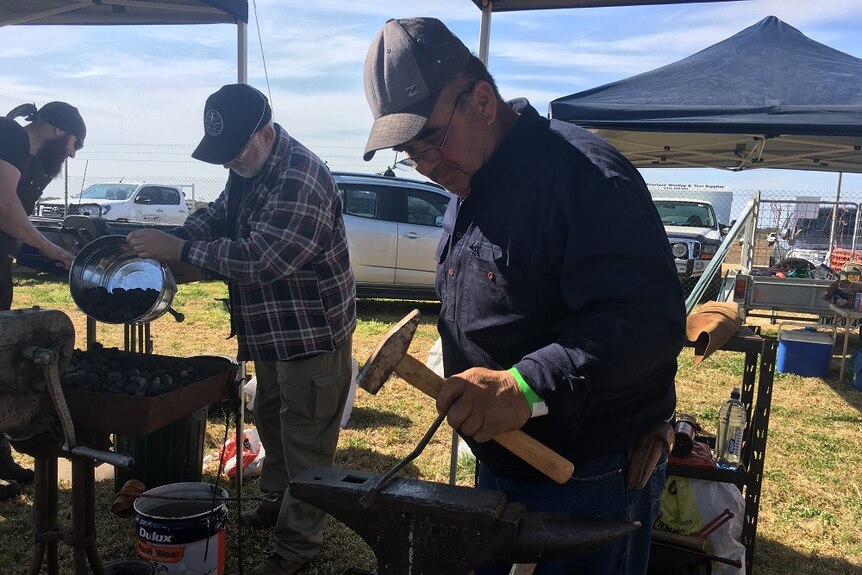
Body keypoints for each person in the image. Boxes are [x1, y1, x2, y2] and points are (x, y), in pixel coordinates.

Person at [362, 18, 686, 575]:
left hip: (584, 475)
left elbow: (646, 323)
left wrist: (525, 386)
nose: (426, 167)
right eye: (410, 154)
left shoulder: (585, 179)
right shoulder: (469, 183)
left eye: (431, 142)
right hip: (502, 464)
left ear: (482, 101)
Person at [126, 84, 356, 575]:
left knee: (307, 447)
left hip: (311, 336)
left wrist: (181, 251)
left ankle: (296, 552)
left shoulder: (301, 177)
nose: (229, 163)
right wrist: (179, 236)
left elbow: (262, 258)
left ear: (266, 133)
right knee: (272, 420)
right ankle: (276, 504)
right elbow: (218, 217)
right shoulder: (250, 170)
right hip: (270, 333)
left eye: (234, 153)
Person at [0, 101, 84, 501]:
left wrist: (55, 258)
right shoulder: (9, 134)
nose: (71, 155)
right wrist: (48, 247)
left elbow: (16, 233)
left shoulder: (31, 165)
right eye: (74, 144)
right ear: (57, 129)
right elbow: (3, 207)